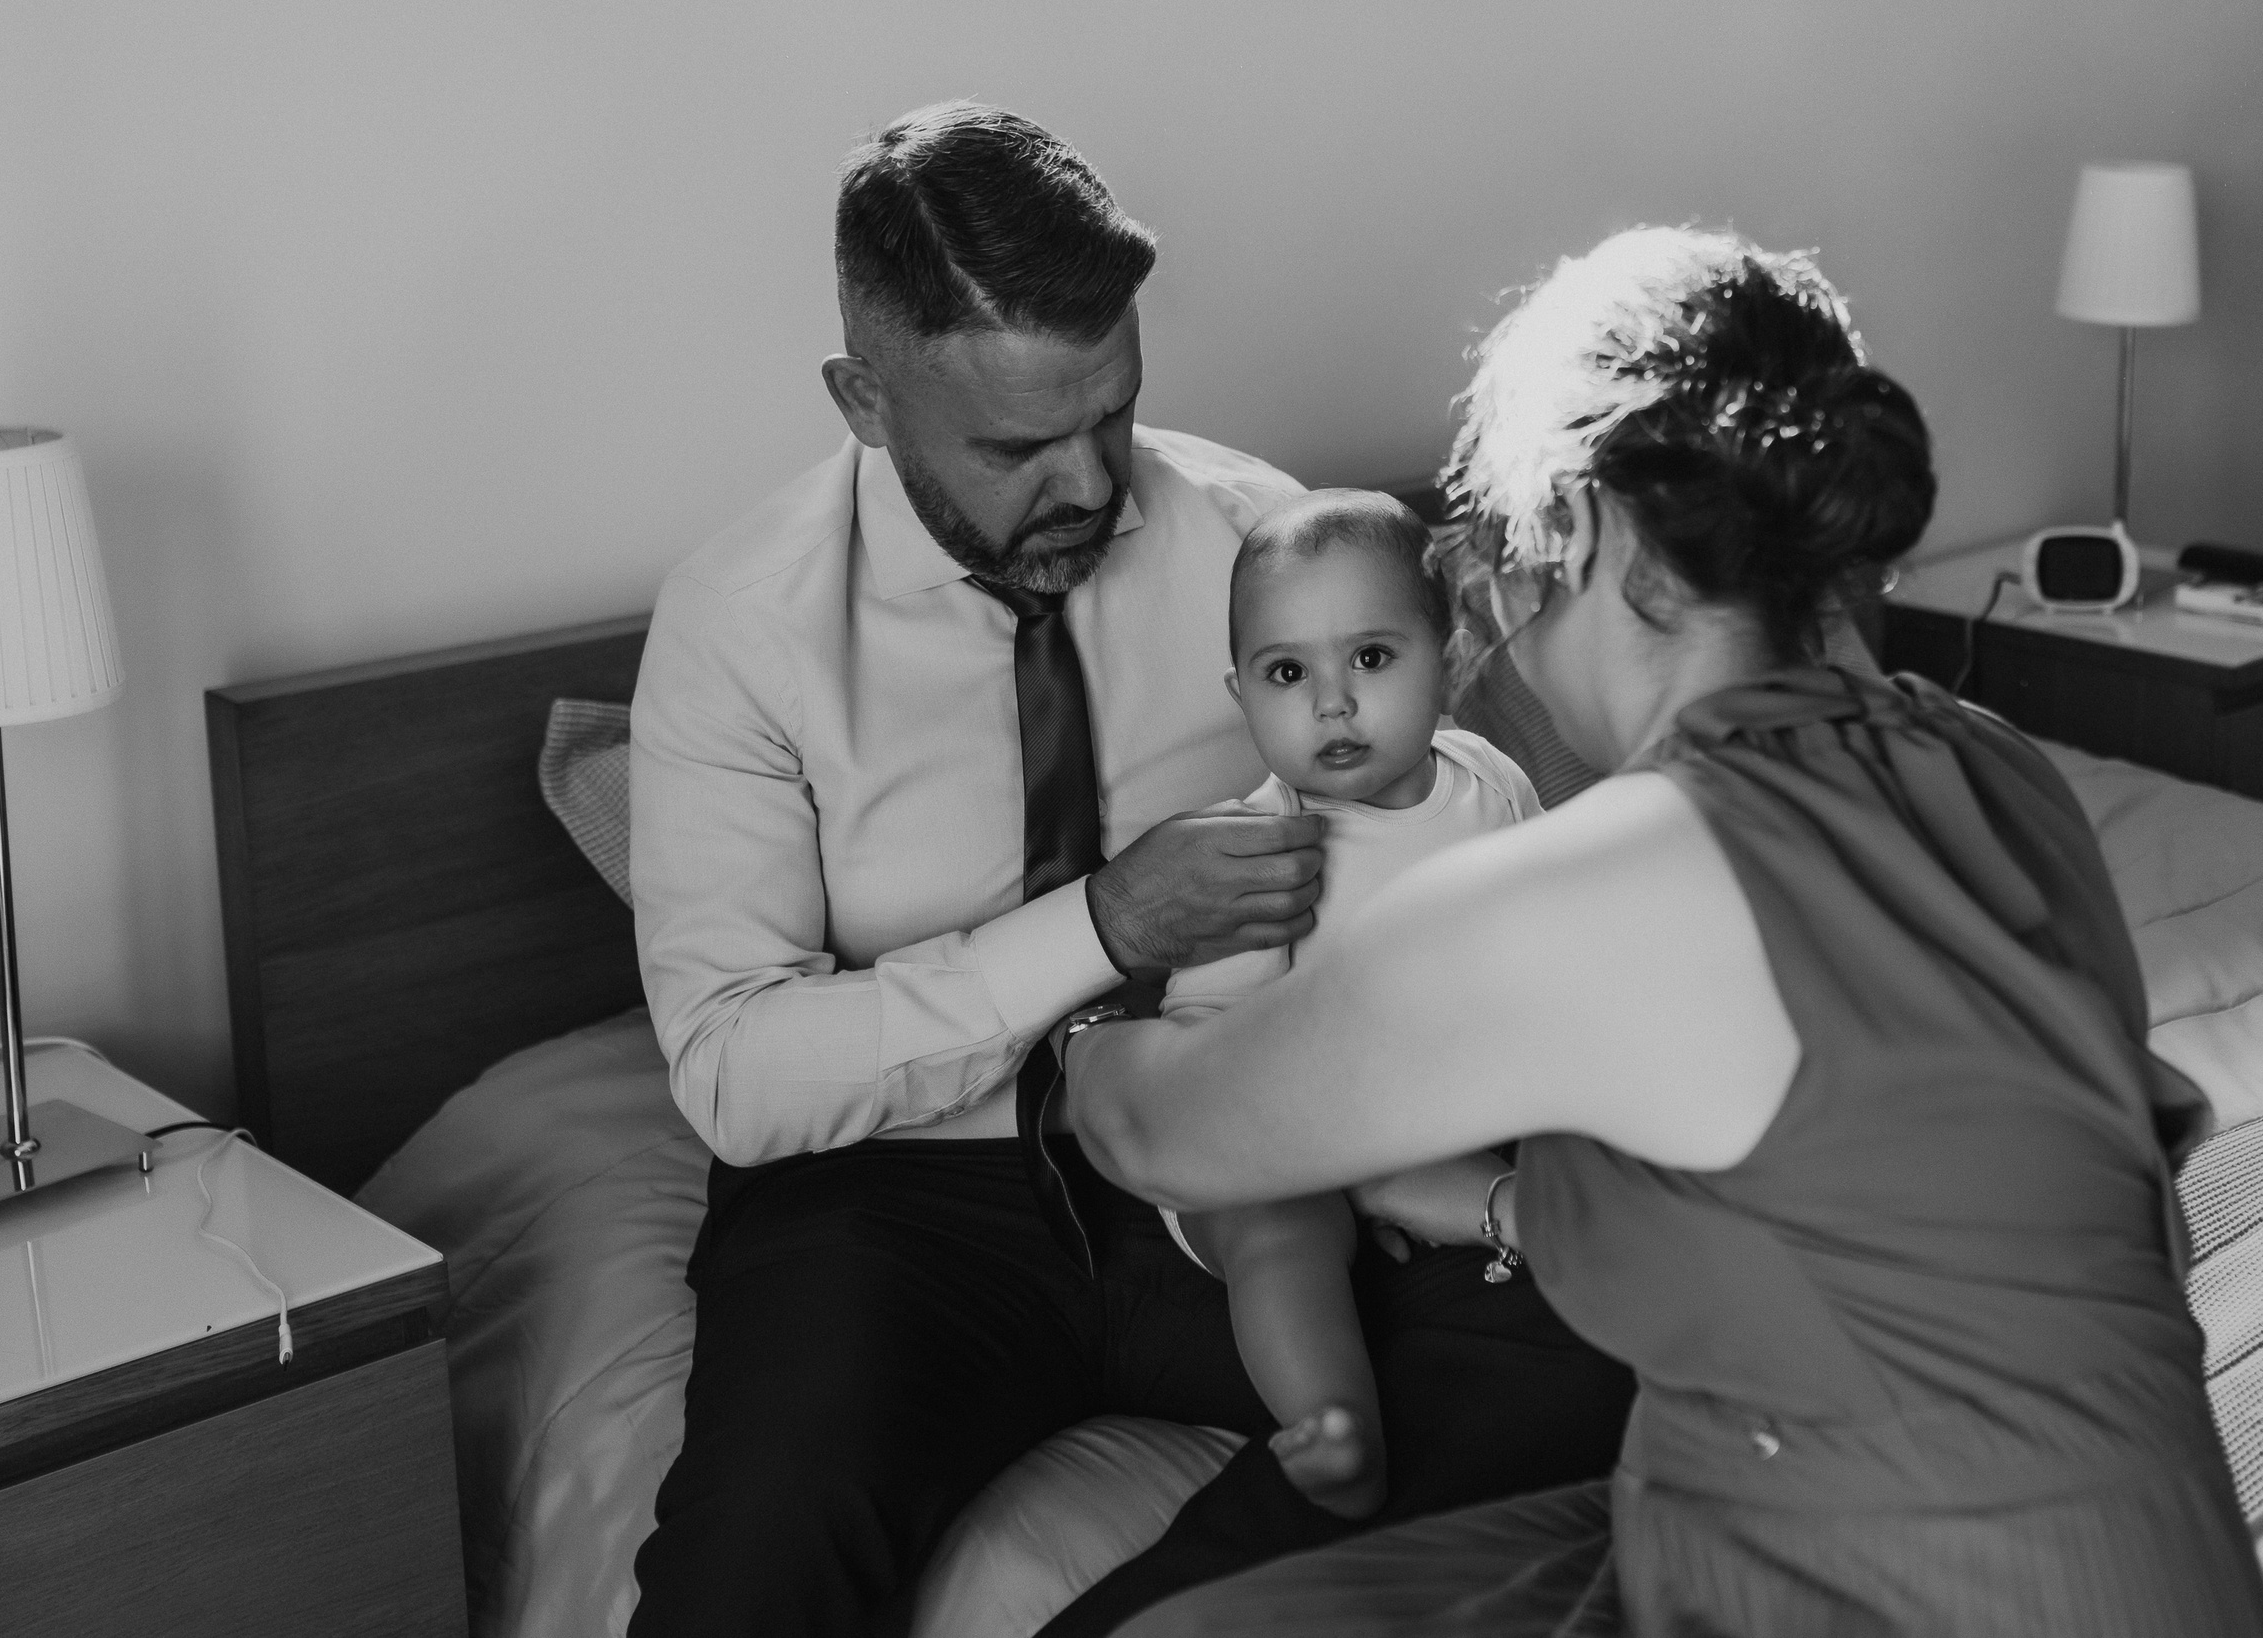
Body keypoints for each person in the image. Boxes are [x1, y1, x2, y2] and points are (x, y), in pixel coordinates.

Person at [1064, 226, 2263, 1636]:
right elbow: (1878, 1195)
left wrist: (1091, 1029)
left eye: (1507, 568)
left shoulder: (1610, 874)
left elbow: (1168, 1135)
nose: (1501, 629)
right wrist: (1456, 1197)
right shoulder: (2001, 768)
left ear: (1582, 530)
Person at [625, 101, 1633, 1638]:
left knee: (1602, 1340)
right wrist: (1103, 924)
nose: (1092, 484)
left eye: (1114, 414)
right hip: (905, 1198)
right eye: (1023, 446)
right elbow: (735, 1070)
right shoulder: (740, 629)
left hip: (1254, 1140)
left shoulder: (1255, 545)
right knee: (750, 1571)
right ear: (863, 399)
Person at [1159, 489, 1545, 1522]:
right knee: (1282, 1233)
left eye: (1370, 659)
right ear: (1239, 691)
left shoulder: (1491, 783)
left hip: (1439, 1107)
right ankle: (1335, 1425)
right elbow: (1204, 1057)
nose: (1331, 704)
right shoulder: (1256, 851)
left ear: (1451, 659)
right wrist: (1320, 1155)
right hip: (1277, 1135)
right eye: (1288, 673)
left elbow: (1542, 932)